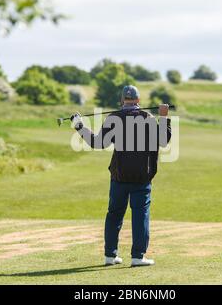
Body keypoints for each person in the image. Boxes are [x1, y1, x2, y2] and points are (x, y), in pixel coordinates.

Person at [70, 85, 171, 267]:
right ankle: (138, 257)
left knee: (114, 214)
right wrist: (164, 117)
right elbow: (163, 141)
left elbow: (98, 143)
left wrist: (80, 127)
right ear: (138, 101)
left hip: (119, 176)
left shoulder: (114, 118)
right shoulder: (147, 117)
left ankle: (110, 256)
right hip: (142, 177)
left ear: (122, 100)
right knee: (140, 215)